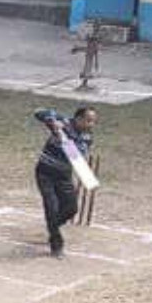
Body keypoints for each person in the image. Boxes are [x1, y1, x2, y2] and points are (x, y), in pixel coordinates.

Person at [31, 107, 98, 256]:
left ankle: (53, 226)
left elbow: (75, 156)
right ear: (78, 119)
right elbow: (38, 112)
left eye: (93, 121)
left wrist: (66, 140)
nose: (91, 124)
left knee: (71, 209)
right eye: (88, 120)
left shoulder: (87, 137)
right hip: (45, 173)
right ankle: (56, 243)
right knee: (51, 208)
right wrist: (53, 122)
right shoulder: (65, 122)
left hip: (64, 175)